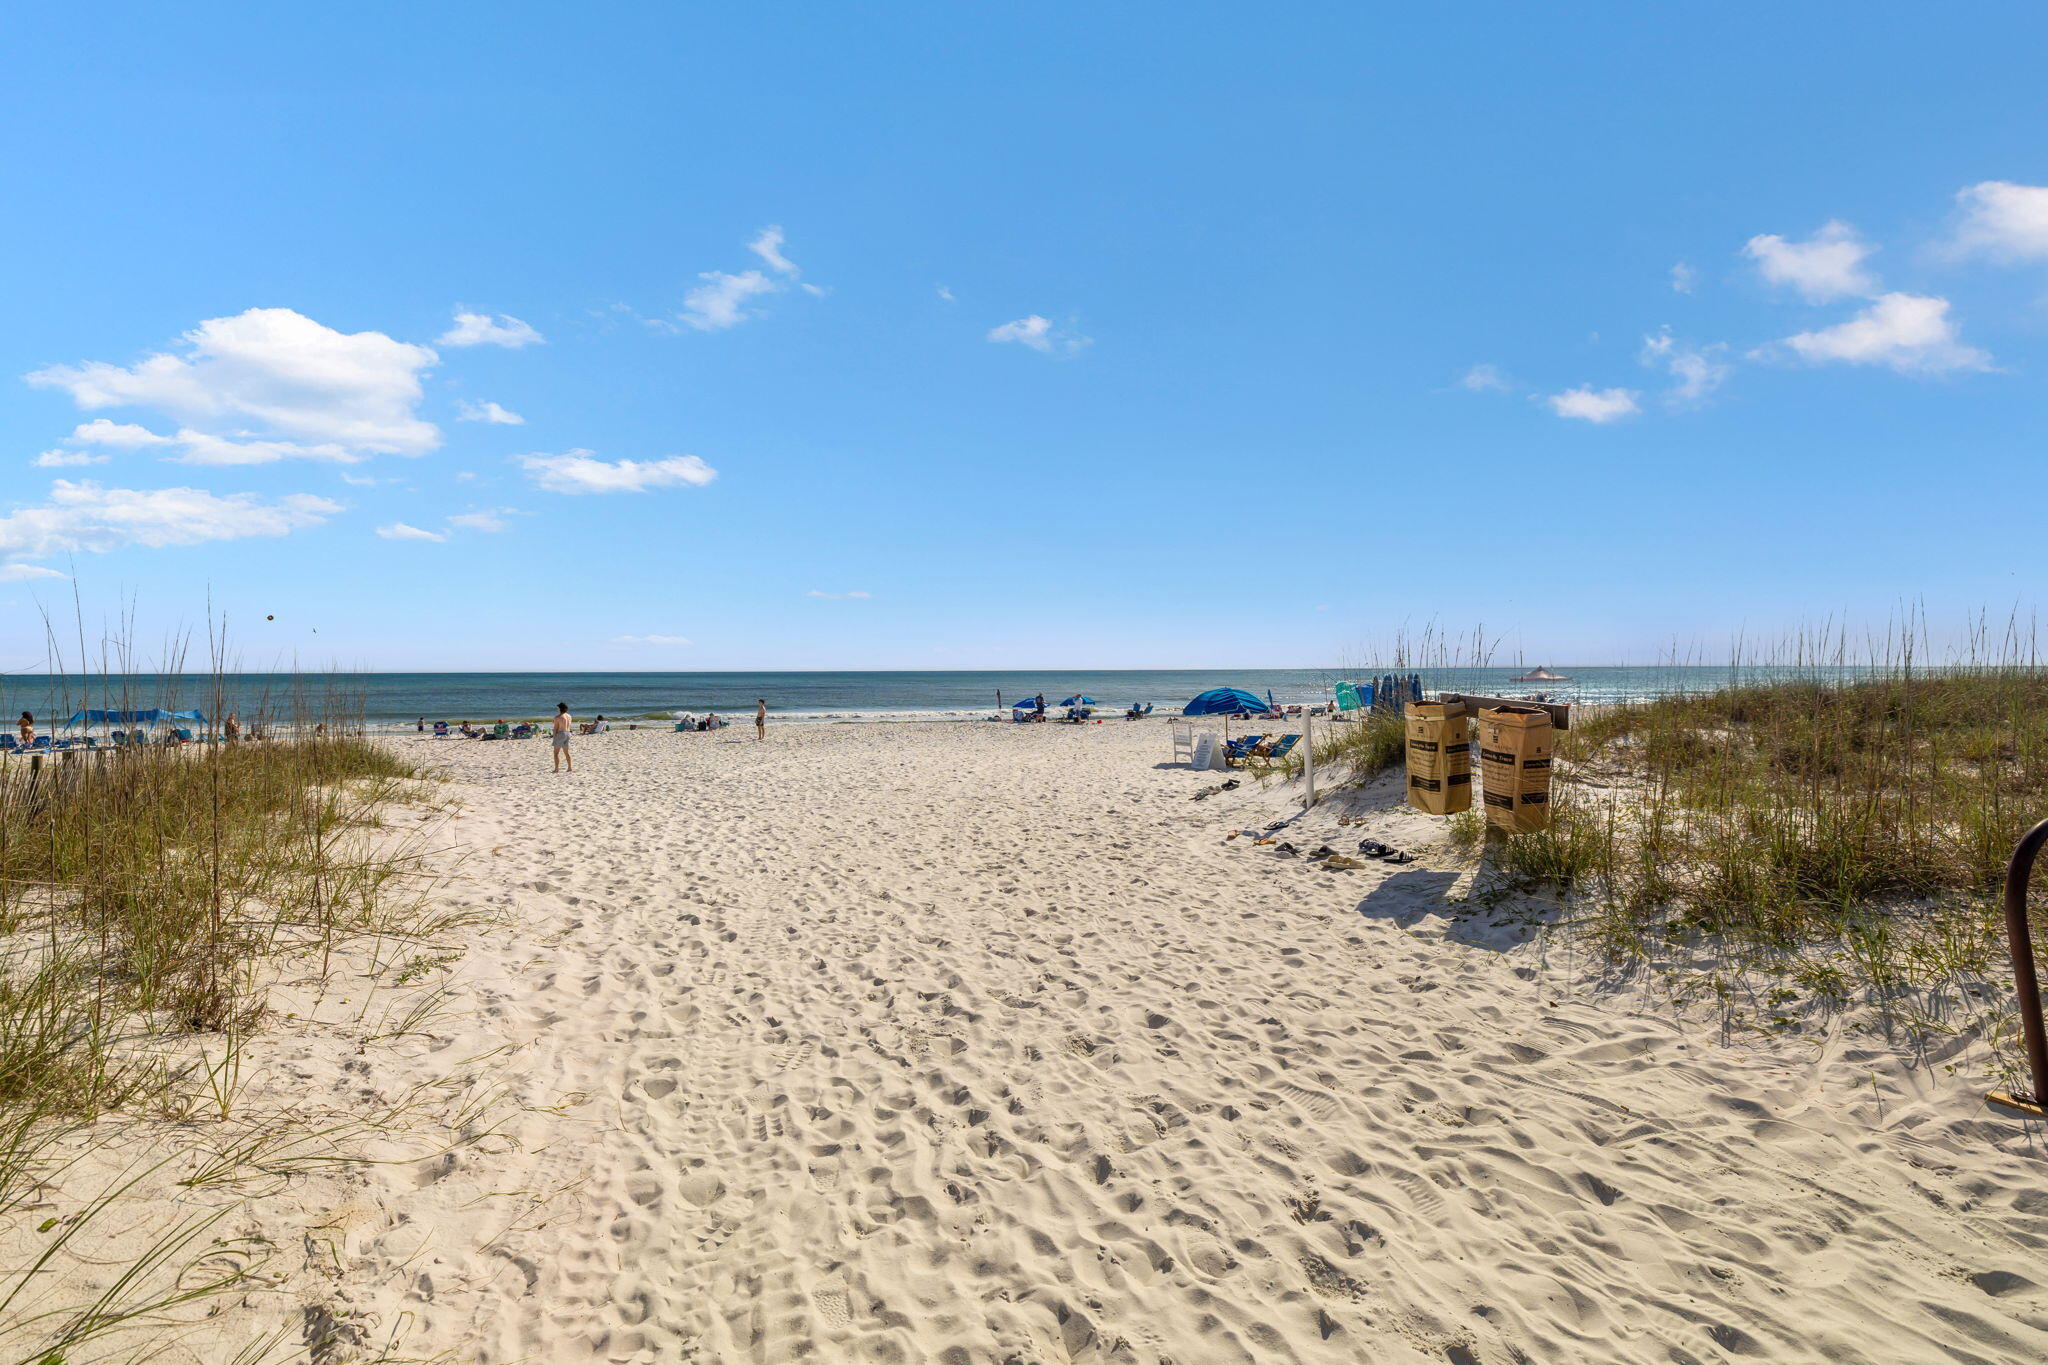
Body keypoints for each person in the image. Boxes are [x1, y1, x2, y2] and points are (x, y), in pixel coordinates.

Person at [552, 701, 573, 772]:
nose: (557, 709)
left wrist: (554, 736)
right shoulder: (569, 716)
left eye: (558, 708)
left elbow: (555, 728)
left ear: (560, 708)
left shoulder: (557, 717)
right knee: (566, 752)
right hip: (568, 733)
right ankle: (569, 767)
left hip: (561, 733)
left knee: (556, 753)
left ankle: (556, 769)